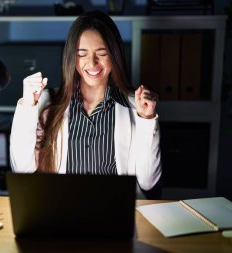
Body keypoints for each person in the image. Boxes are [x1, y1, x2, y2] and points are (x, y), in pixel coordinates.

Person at [10, 10, 161, 197]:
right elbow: (22, 169)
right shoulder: (47, 104)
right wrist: (27, 105)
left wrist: (146, 119)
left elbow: (148, 182)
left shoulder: (135, 107)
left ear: (114, 55)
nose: (92, 63)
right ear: (72, 58)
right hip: (62, 211)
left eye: (102, 53)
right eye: (82, 54)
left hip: (115, 212)